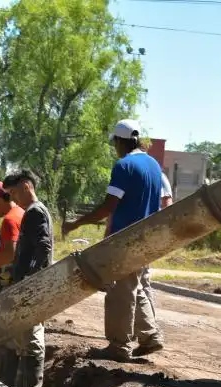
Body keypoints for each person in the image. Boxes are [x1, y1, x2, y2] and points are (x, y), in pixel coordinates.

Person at [63, 119, 166, 360]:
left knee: (120, 292)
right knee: (136, 286)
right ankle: (150, 337)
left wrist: (76, 223)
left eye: (115, 143)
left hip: (126, 239)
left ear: (121, 141)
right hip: (149, 237)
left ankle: (118, 347)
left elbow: (108, 207)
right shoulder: (154, 165)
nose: (115, 148)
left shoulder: (124, 165)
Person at [0, 169, 53, 387]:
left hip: (33, 286)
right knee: (24, 340)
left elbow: (44, 247)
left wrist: (29, 278)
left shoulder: (35, 212)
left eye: (13, 193)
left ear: (26, 186)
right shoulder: (32, 212)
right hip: (29, 284)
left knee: (31, 340)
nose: (13, 199)